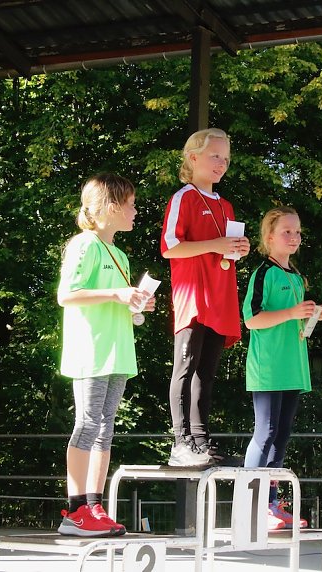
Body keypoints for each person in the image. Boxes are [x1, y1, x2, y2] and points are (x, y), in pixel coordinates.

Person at [56, 173, 156, 537]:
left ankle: (94, 505)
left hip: (118, 350)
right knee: (87, 424)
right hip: (91, 349)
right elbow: (66, 295)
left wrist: (136, 303)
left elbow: (124, 305)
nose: (134, 210)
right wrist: (117, 294)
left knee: (105, 427)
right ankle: (76, 509)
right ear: (110, 206)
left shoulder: (120, 254)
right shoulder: (84, 245)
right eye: (129, 203)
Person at [160, 128, 250, 467]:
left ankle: (200, 439)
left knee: (207, 372)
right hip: (193, 297)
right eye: (215, 156)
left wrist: (238, 248)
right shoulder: (184, 197)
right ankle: (180, 441)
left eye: (226, 159)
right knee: (185, 366)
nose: (221, 164)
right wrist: (215, 245)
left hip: (220, 298)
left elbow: (225, 249)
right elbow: (170, 247)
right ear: (193, 157)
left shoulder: (225, 205)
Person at [242, 206, 322, 530]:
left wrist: (312, 315)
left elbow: (293, 320)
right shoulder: (263, 272)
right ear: (269, 237)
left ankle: (271, 504)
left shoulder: (296, 276)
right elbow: (251, 319)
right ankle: (250, 505)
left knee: (281, 436)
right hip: (267, 367)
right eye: (286, 232)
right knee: (264, 433)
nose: (294, 237)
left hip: (293, 367)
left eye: (297, 232)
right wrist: (294, 312)